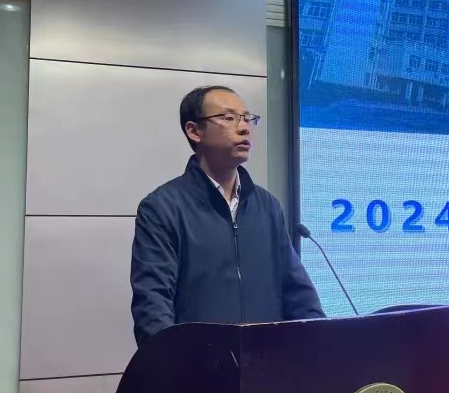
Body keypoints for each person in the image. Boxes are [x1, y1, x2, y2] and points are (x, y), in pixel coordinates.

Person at [129, 85, 324, 344]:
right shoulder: (162, 208)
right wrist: (174, 363)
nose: (244, 128)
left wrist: (322, 346)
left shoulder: (267, 206)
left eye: (247, 118)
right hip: (198, 365)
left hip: (268, 363)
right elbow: (152, 308)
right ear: (194, 131)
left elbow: (298, 294)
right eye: (228, 117)